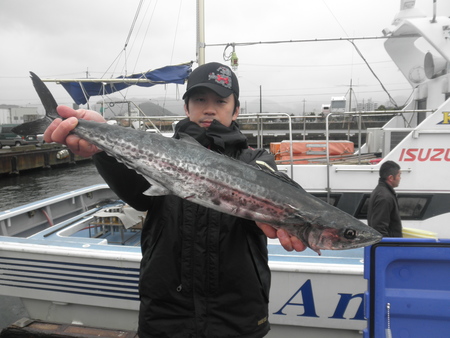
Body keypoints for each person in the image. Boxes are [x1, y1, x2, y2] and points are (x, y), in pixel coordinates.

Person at [44, 62, 306, 338]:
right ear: (186, 107)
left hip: (237, 313)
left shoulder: (256, 161)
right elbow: (138, 197)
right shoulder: (156, 154)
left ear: (236, 109)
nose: (209, 108)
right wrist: (101, 150)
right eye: (199, 99)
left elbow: (283, 193)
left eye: (220, 101)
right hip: (166, 311)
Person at [367, 160, 402, 237]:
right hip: (388, 246)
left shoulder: (380, 191)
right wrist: (386, 246)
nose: (400, 178)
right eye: (399, 175)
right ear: (391, 178)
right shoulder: (385, 197)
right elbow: (379, 228)